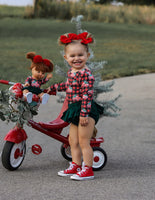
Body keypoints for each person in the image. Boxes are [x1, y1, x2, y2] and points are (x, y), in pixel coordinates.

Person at [48, 32, 103, 181]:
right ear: (66, 58)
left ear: (87, 55)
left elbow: (87, 94)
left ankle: (88, 169)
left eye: (80, 55)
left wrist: (84, 114)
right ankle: (75, 165)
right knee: (73, 140)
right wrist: (53, 88)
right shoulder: (72, 72)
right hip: (74, 109)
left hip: (85, 110)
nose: (76, 58)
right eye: (72, 56)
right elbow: (68, 85)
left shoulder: (86, 74)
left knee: (84, 141)